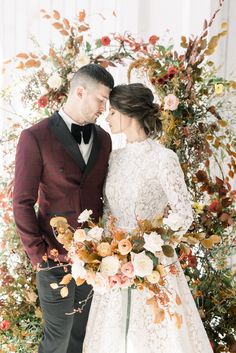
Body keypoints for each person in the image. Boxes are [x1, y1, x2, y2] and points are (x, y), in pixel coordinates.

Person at [83, 83, 213, 353]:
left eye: (113, 113)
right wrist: (104, 249)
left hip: (153, 261)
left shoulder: (164, 159)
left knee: (156, 333)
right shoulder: (113, 158)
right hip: (114, 261)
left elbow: (183, 213)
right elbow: (108, 209)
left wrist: (154, 245)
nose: (107, 118)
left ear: (130, 113)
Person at [13, 64, 114, 353]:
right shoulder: (35, 137)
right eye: (100, 101)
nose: (104, 109)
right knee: (57, 340)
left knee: (81, 339)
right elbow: (21, 201)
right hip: (53, 261)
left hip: (95, 261)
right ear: (80, 92)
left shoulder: (104, 140)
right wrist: (39, 256)